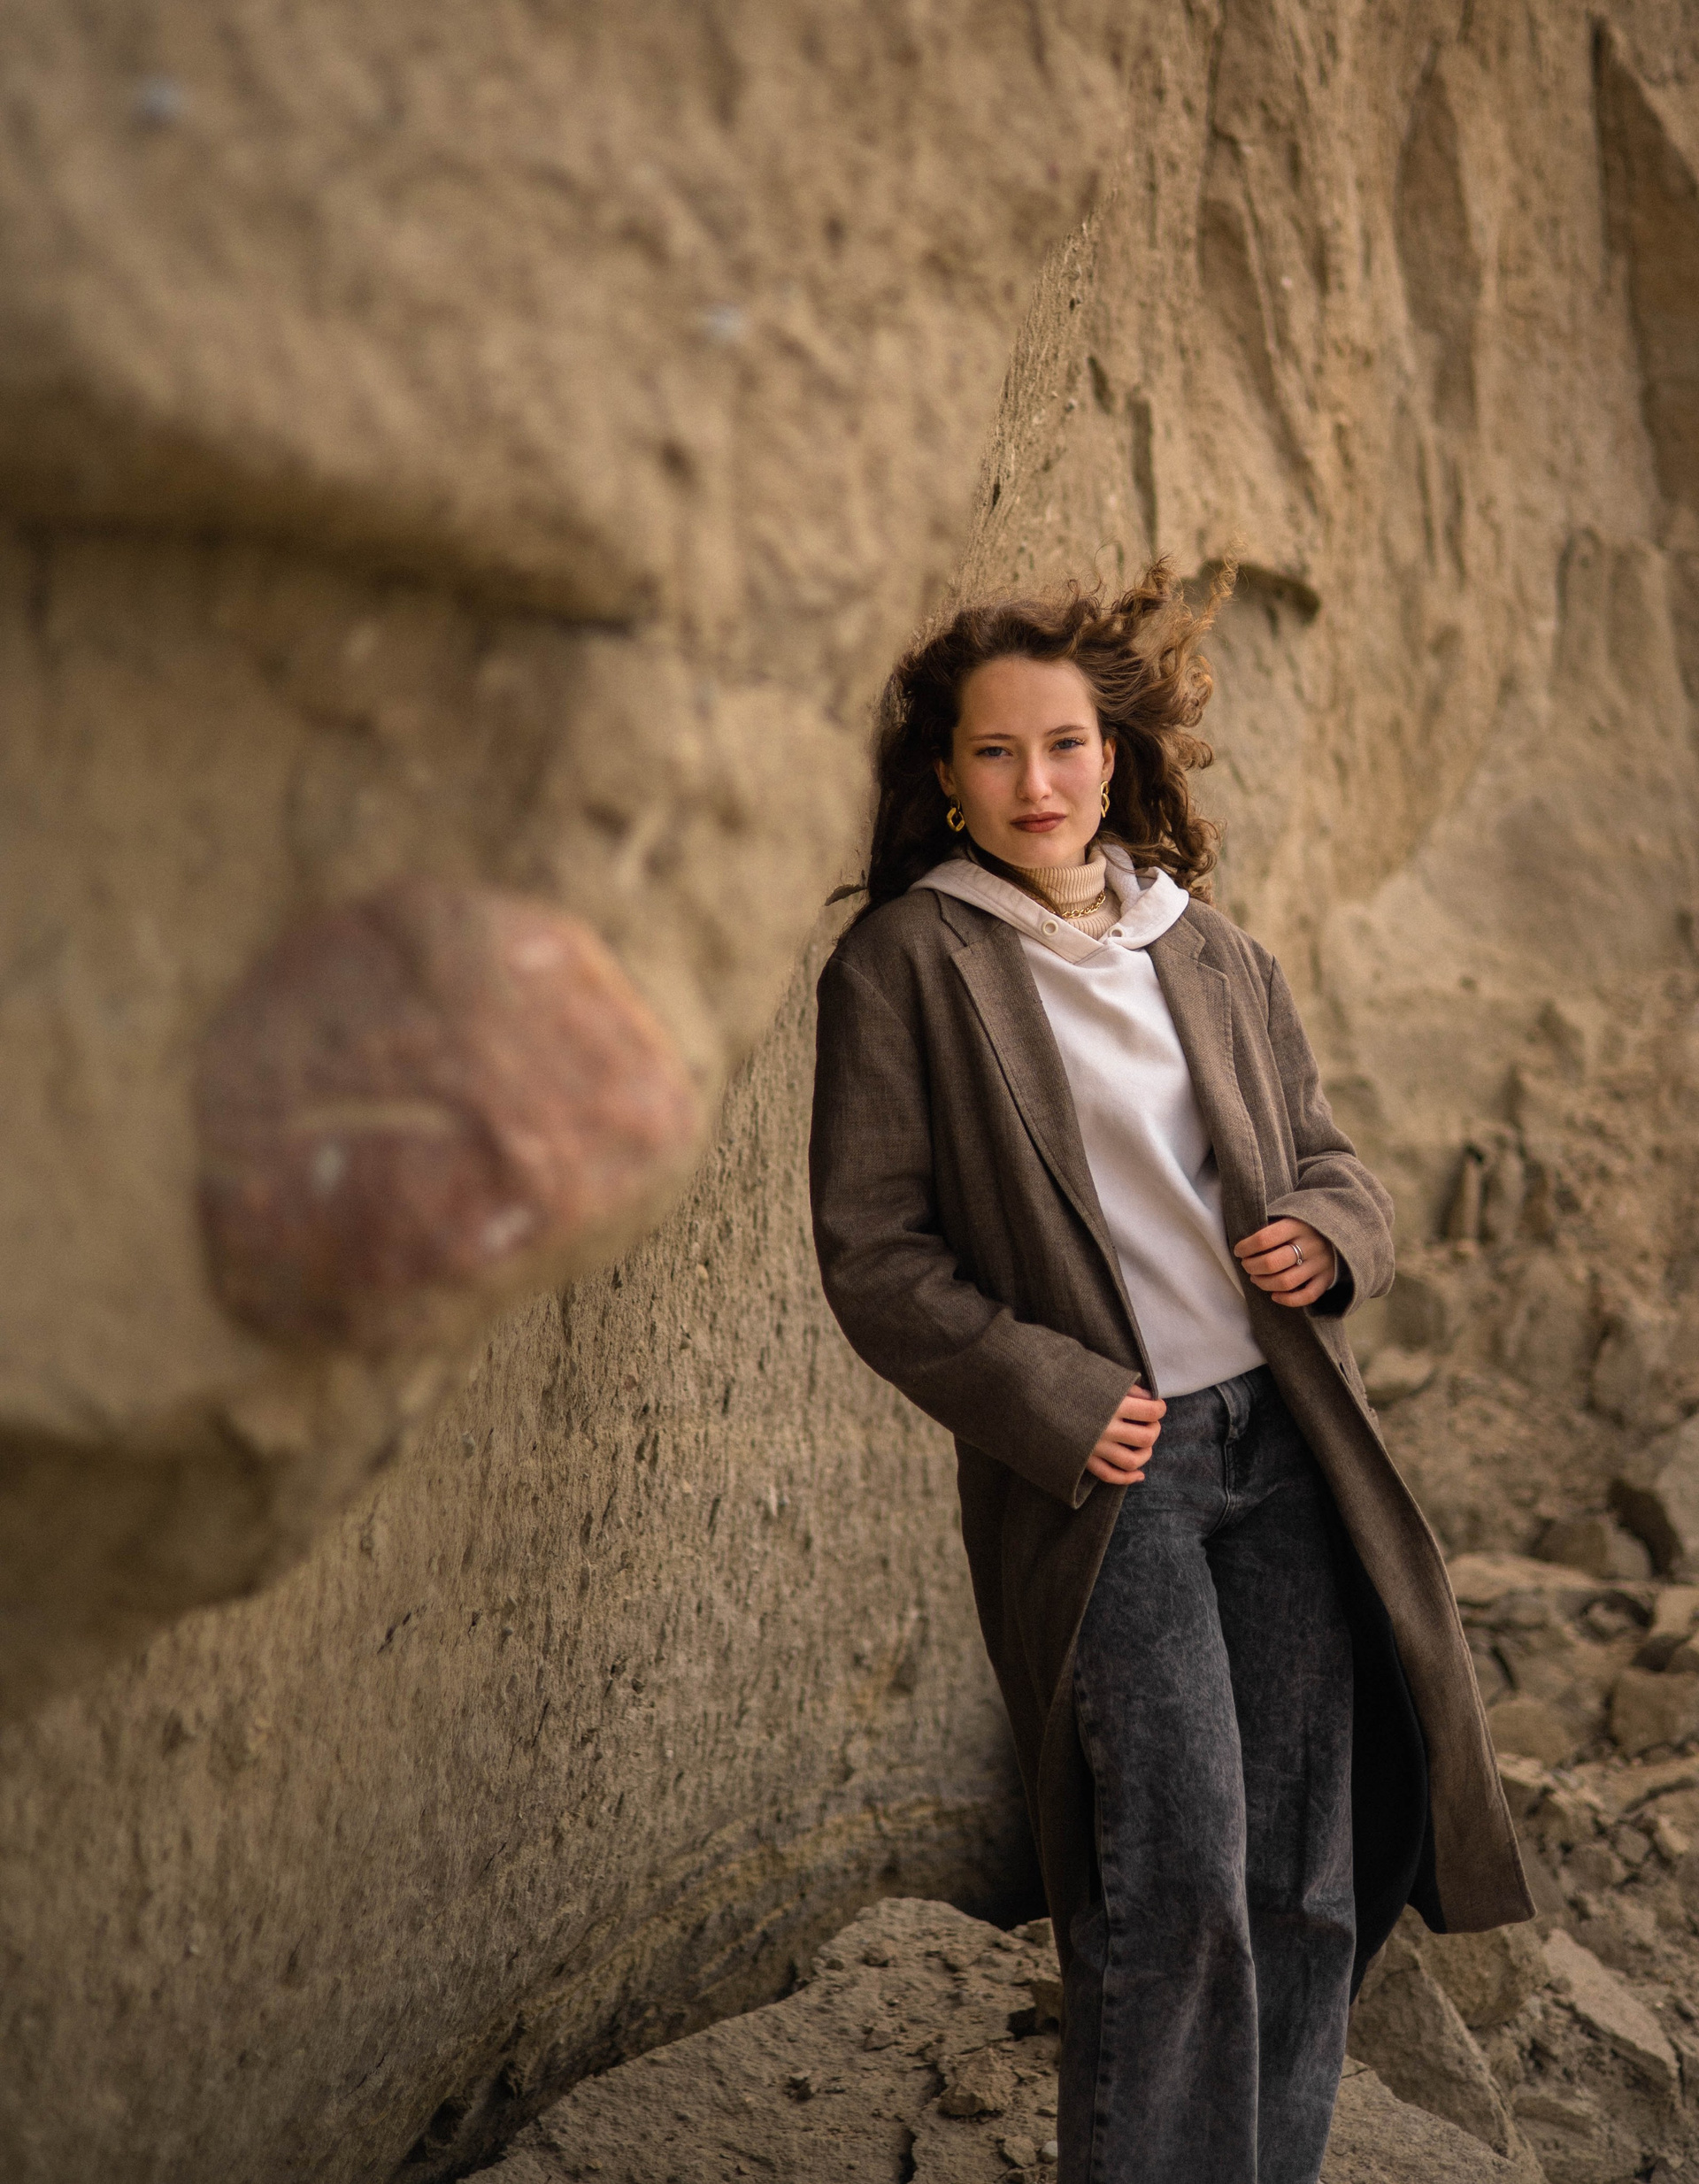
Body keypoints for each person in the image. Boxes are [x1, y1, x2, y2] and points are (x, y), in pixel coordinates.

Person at [807, 565, 1532, 2184]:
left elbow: (1333, 1161)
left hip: (1287, 1447)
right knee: (1176, 1876)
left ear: (1116, 754)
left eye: (1066, 743)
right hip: (1110, 1474)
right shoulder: (908, 965)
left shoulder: (1208, 951)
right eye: (996, 752)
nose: (1038, 783)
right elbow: (875, 1256)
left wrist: (1329, 1239)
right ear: (947, 776)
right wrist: (1058, 1401)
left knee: (1304, 1880)